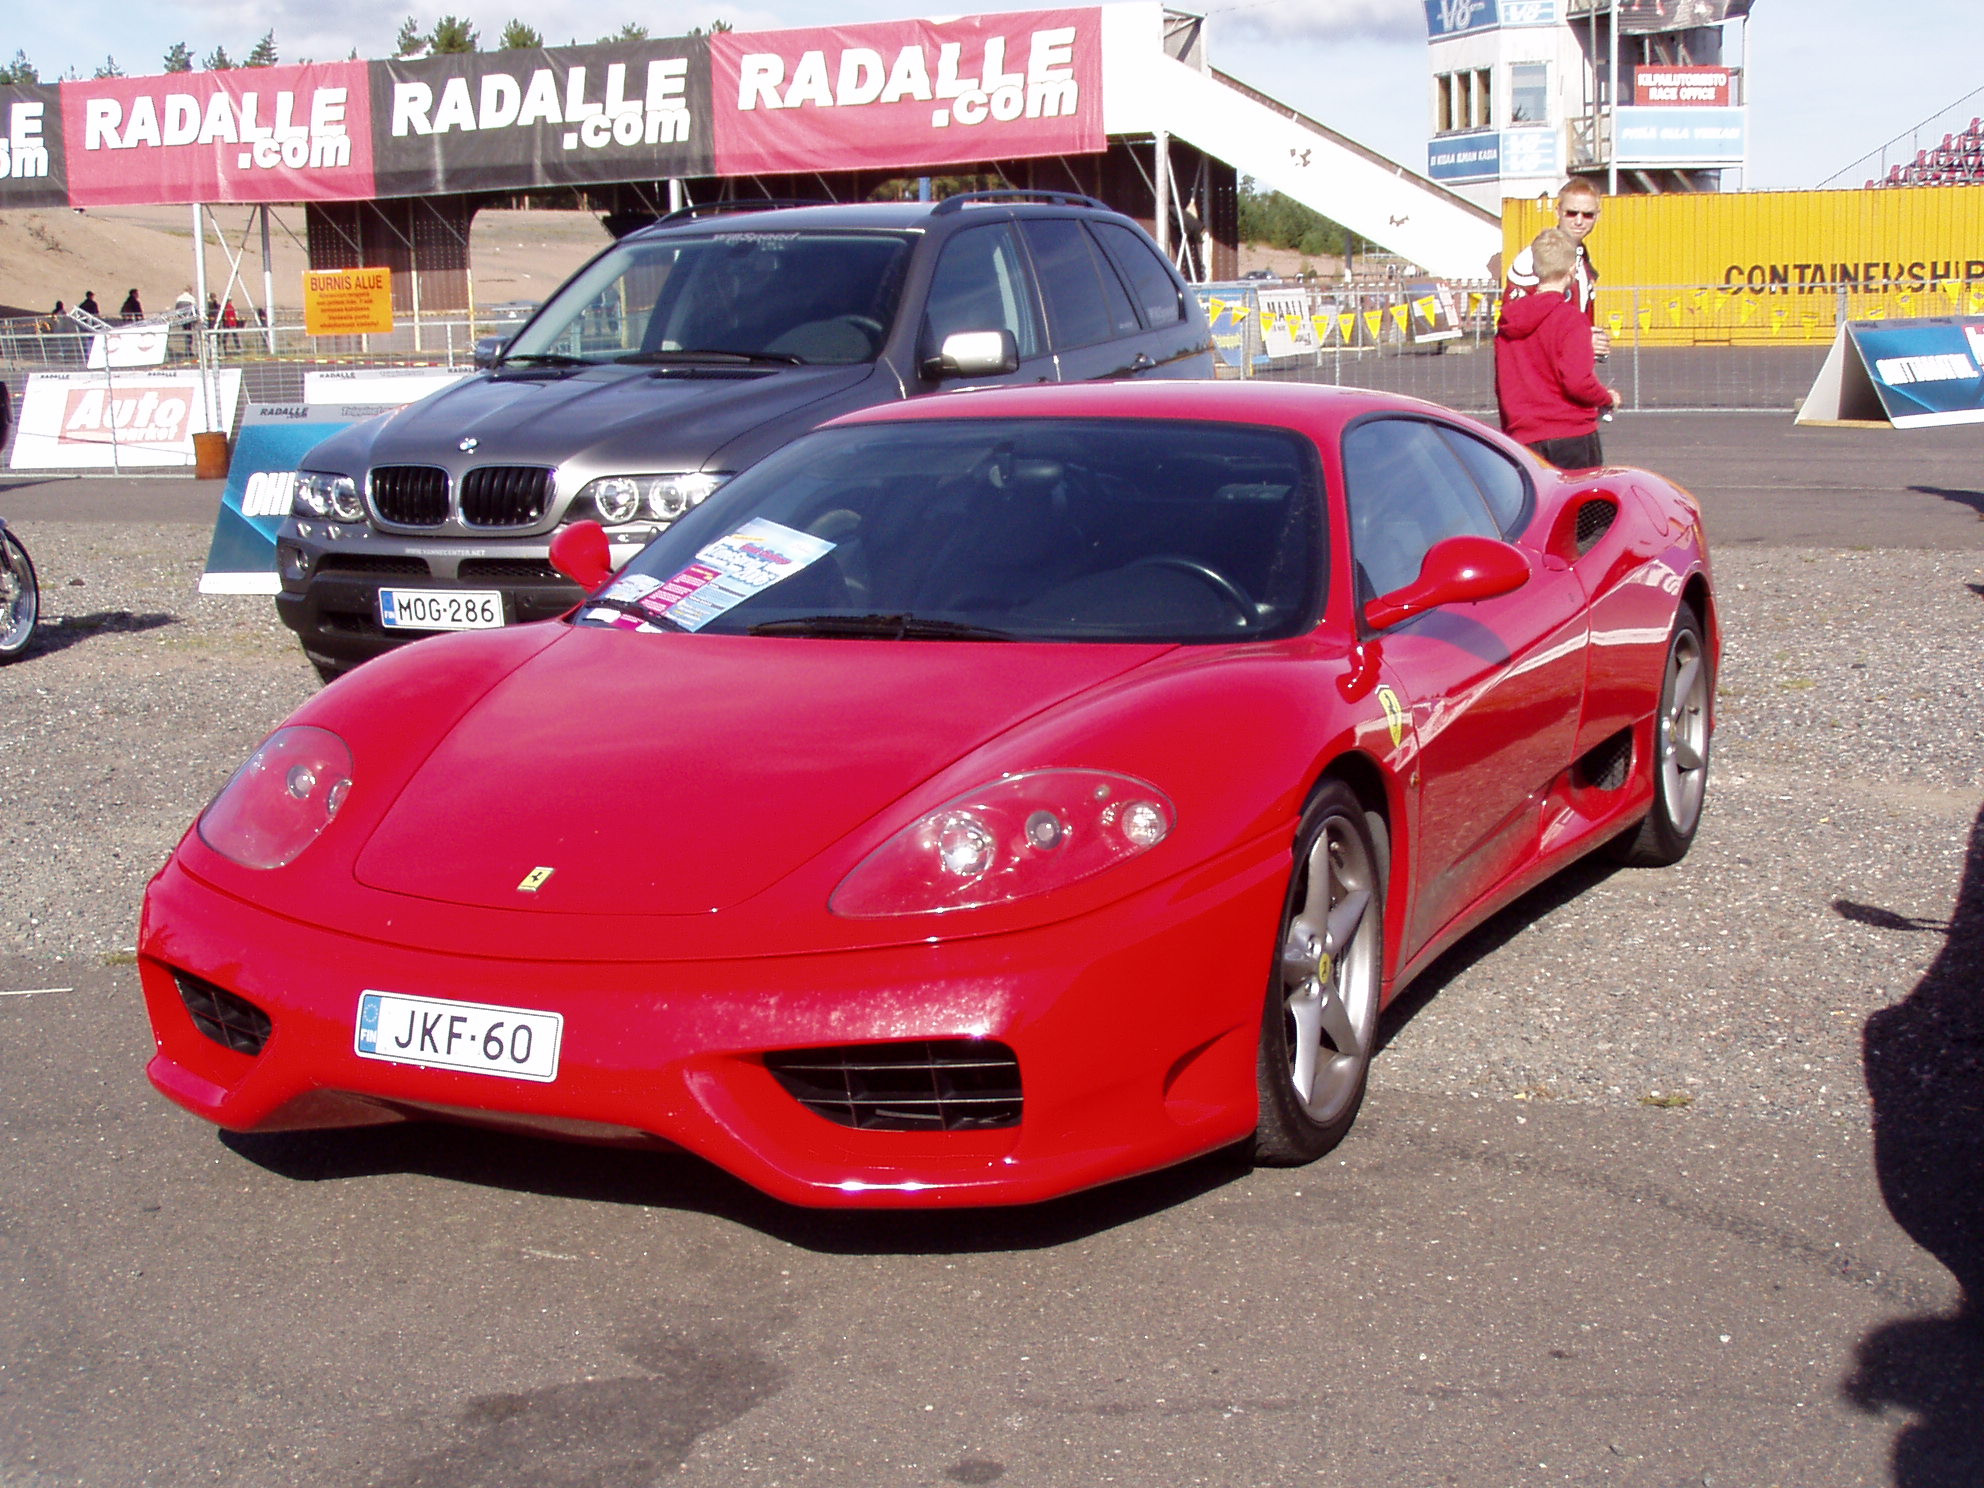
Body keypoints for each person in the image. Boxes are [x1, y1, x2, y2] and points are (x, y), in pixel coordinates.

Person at [1494, 227, 1621, 470]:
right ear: (1572, 270)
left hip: (1523, 437)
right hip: (1571, 434)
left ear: (1535, 269)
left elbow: (1503, 384)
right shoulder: (1570, 319)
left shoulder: (1507, 323)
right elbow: (1577, 381)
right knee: (1582, 505)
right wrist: (1606, 398)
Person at [1505, 178, 1608, 357]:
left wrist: (1592, 345)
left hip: (1569, 371)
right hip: (1539, 377)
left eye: (1587, 214)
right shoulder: (1533, 259)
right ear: (1558, 211)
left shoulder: (1582, 259)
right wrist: (1581, 340)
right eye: (1571, 213)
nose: (1579, 221)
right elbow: (1514, 328)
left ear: (1597, 216)